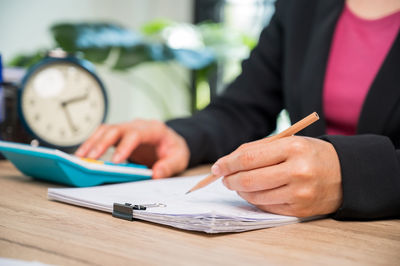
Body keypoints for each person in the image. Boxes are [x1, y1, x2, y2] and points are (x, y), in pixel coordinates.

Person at [75, 0, 400, 220]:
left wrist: (351, 173)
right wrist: (180, 138)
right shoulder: (300, 6)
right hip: (304, 236)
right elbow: (244, 107)